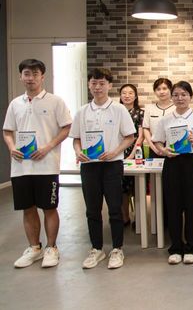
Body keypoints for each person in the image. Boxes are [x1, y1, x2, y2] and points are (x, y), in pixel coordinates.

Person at [2, 59, 72, 269]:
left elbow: (66, 128)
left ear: (43, 77)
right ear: (21, 77)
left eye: (35, 74)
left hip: (47, 165)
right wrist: (11, 147)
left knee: (49, 207)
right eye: (26, 74)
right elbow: (7, 131)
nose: (30, 78)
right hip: (21, 167)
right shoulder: (15, 103)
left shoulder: (55, 101)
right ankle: (34, 248)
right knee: (27, 208)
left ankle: (51, 248)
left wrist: (48, 147)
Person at [70, 68, 135, 269]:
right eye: (94, 83)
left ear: (109, 85)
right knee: (92, 210)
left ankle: (117, 249)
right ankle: (96, 249)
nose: (97, 87)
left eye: (102, 83)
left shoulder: (119, 109)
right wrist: (78, 152)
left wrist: (114, 152)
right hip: (89, 166)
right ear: (89, 85)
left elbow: (129, 137)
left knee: (115, 208)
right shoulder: (82, 111)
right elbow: (76, 139)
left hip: (112, 165)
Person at [153, 81, 193, 265]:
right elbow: (157, 141)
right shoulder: (165, 119)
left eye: (184, 94)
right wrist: (163, 151)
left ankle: (192, 248)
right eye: (176, 95)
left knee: (192, 206)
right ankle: (176, 248)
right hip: (172, 162)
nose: (180, 98)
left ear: (190, 97)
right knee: (173, 206)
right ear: (172, 97)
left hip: (192, 163)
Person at [118, 84, 145, 226]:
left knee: (136, 187)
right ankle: (125, 217)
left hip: (136, 152)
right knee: (121, 188)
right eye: (124, 93)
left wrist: (131, 155)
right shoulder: (116, 112)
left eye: (130, 93)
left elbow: (140, 136)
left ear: (135, 96)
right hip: (117, 152)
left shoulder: (140, 113)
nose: (127, 95)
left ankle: (138, 219)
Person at [143, 78, 175, 158]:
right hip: (154, 147)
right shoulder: (149, 108)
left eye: (164, 88)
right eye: (158, 89)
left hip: (173, 147)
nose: (161, 92)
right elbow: (146, 128)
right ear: (155, 92)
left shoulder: (177, 108)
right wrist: (153, 148)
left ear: (171, 90)